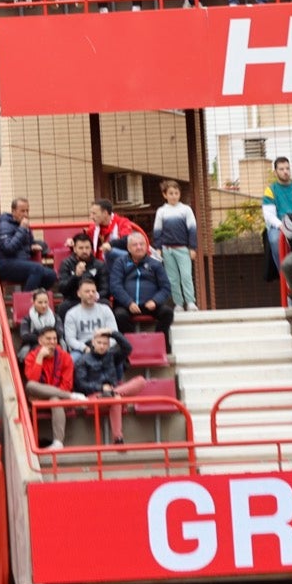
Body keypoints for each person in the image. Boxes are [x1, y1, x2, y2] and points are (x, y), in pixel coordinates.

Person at [74, 329, 142, 444]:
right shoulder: (82, 360)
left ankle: (113, 393)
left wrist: (112, 333)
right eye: (99, 342)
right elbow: (81, 384)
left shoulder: (112, 355)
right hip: (94, 397)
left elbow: (128, 348)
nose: (102, 346)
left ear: (109, 345)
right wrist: (101, 388)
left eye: (105, 343)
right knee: (116, 399)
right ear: (93, 343)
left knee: (141, 381)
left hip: (114, 393)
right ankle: (118, 438)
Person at [109, 232, 174, 342]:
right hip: (127, 305)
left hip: (151, 305)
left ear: (146, 246)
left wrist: (155, 301)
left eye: (142, 244)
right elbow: (115, 286)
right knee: (119, 315)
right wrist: (129, 302)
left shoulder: (156, 264)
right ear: (128, 248)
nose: (139, 247)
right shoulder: (120, 263)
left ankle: (159, 343)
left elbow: (166, 287)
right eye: (135, 245)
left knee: (167, 313)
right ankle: (132, 344)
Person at [23, 325, 79, 451]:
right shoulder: (32, 356)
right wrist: (40, 358)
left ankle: (58, 442)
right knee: (30, 385)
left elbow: (67, 385)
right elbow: (33, 380)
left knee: (55, 399)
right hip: (38, 396)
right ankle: (72, 397)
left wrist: (55, 394)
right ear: (40, 341)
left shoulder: (65, 357)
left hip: (58, 398)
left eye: (54, 339)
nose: (52, 342)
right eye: (48, 339)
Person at [152, 179, 198, 312]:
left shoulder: (186, 210)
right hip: (167, 250)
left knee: (186, 275)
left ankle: (190, 302)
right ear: (165, 195)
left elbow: (192, 229)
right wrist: (158, 248)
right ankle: (178, 303)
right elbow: (157, 231)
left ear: (180, 194)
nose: (174, 196)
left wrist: (192, 247)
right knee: (172, 278)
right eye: (171, 193)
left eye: (176, 193)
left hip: (183, 249)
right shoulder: (161, 211)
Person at [0, 197, 56, 291]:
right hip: (5, 264)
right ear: (13, 211)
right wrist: (22, 229)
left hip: (22, 263)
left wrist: (32, 247)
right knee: (37, 268)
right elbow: (8, 248)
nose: (26, 214)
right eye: (22, 211)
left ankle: (36, 298)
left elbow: (29, 243)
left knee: (51, 274)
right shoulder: (4, 226)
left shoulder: (23, 225)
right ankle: (25, 301)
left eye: (27, 211)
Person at [63, 276, 119, 356]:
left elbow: (114, 333)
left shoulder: (106, 310)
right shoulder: (71, 314)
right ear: (79, 293)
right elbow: (70, 339)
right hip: (82, 348)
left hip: (104, 346)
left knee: (118, 360)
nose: (91, 294)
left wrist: (104, 346)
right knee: (73, 359)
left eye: (93, 291)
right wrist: (84, 348)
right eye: (87, 291)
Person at [57, 234, 107, 310]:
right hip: (74, 299)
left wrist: (94, 296)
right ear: (74, 249)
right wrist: (76, 276)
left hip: (95, 299)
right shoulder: (66, 263)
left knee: (106, 304)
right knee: (63, 307)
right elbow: (62, 288)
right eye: (81, 248)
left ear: (91, 249)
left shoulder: (99, 265)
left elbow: (105, 288)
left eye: (87, 248)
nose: (84, 251)